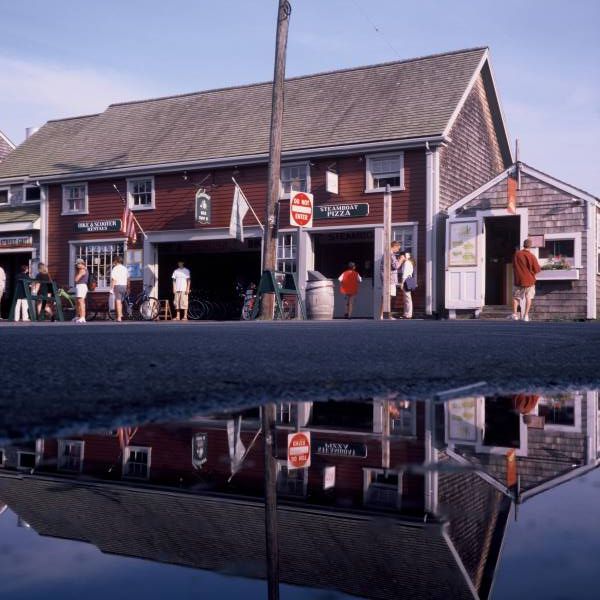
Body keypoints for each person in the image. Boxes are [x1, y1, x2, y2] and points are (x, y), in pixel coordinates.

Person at [511, 238, 541, 322]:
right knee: (529, 297)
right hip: (530, 280)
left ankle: (515, 315)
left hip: (518, 280)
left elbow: (513, 265)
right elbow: (537, 269)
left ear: (523, 245)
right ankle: (526, 316)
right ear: (530, 246)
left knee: (516, 297)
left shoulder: (517, 254)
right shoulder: (532, 256)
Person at [380, 240, 404, 319]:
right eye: (398, 248)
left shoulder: (387, 254)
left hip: (387, 278)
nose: (398, 250)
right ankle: (384, 315)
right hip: (389, 278)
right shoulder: (390, 254)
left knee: (386, 297)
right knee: (387, 297)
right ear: (395, 246)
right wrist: (401, 259)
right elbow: (396, 266)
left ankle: (383, 315)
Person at [110, 256, 130, 322]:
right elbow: (128, 279)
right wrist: (128, 288)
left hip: (117, 286)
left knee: (118, 301)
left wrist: (111, 289)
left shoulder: (115, 268)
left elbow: (114, 279)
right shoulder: (125, 268)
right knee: (120, 301)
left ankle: (119, 317)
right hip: (124, 286)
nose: (113, 262)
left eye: (114, 260)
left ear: (116, 261)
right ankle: (120, 315)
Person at [399, 252, 414, 319]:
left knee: (407, 298)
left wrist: (402, 283)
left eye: (401, 256)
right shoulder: (408, 262)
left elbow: (405, 273)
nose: (400, 258)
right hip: (410, 279)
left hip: (407, 280)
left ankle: (408, 314)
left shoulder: (406, 263)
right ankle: (406, 313)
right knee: (407, 298)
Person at [74, 258, 89, 323]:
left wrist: (76, 275)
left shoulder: (82, 270)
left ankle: (82, 317)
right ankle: (79, 316)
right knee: (78, 302)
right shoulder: (83, 269)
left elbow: (76, 279)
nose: (77, 265)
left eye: (78, 264)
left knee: (81, 302)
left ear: (81, 263)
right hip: (80, 286)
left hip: (81, 286)